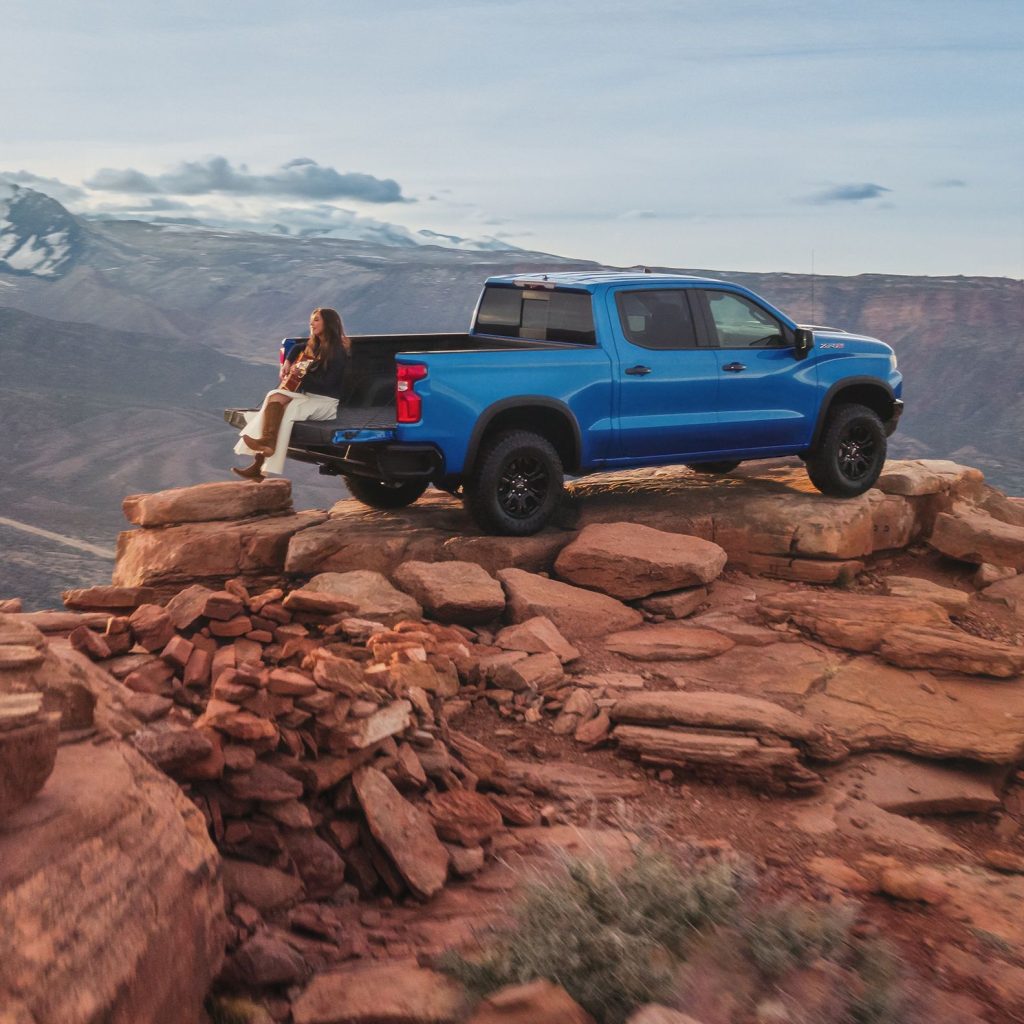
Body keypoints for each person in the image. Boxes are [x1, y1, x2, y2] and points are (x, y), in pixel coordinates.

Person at [232, 307, 352, 480]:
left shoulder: (337, 352)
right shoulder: (315, 346)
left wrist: (302, 375)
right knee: (274, 397)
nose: (312, 323)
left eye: (317, 319)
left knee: (284, 411)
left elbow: (328, 385)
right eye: (311, 320)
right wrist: (288, 362)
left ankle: (261, 461)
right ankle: (264, 450)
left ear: (329, 323)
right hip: (309, 397)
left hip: (325, 401)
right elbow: (297, 347)